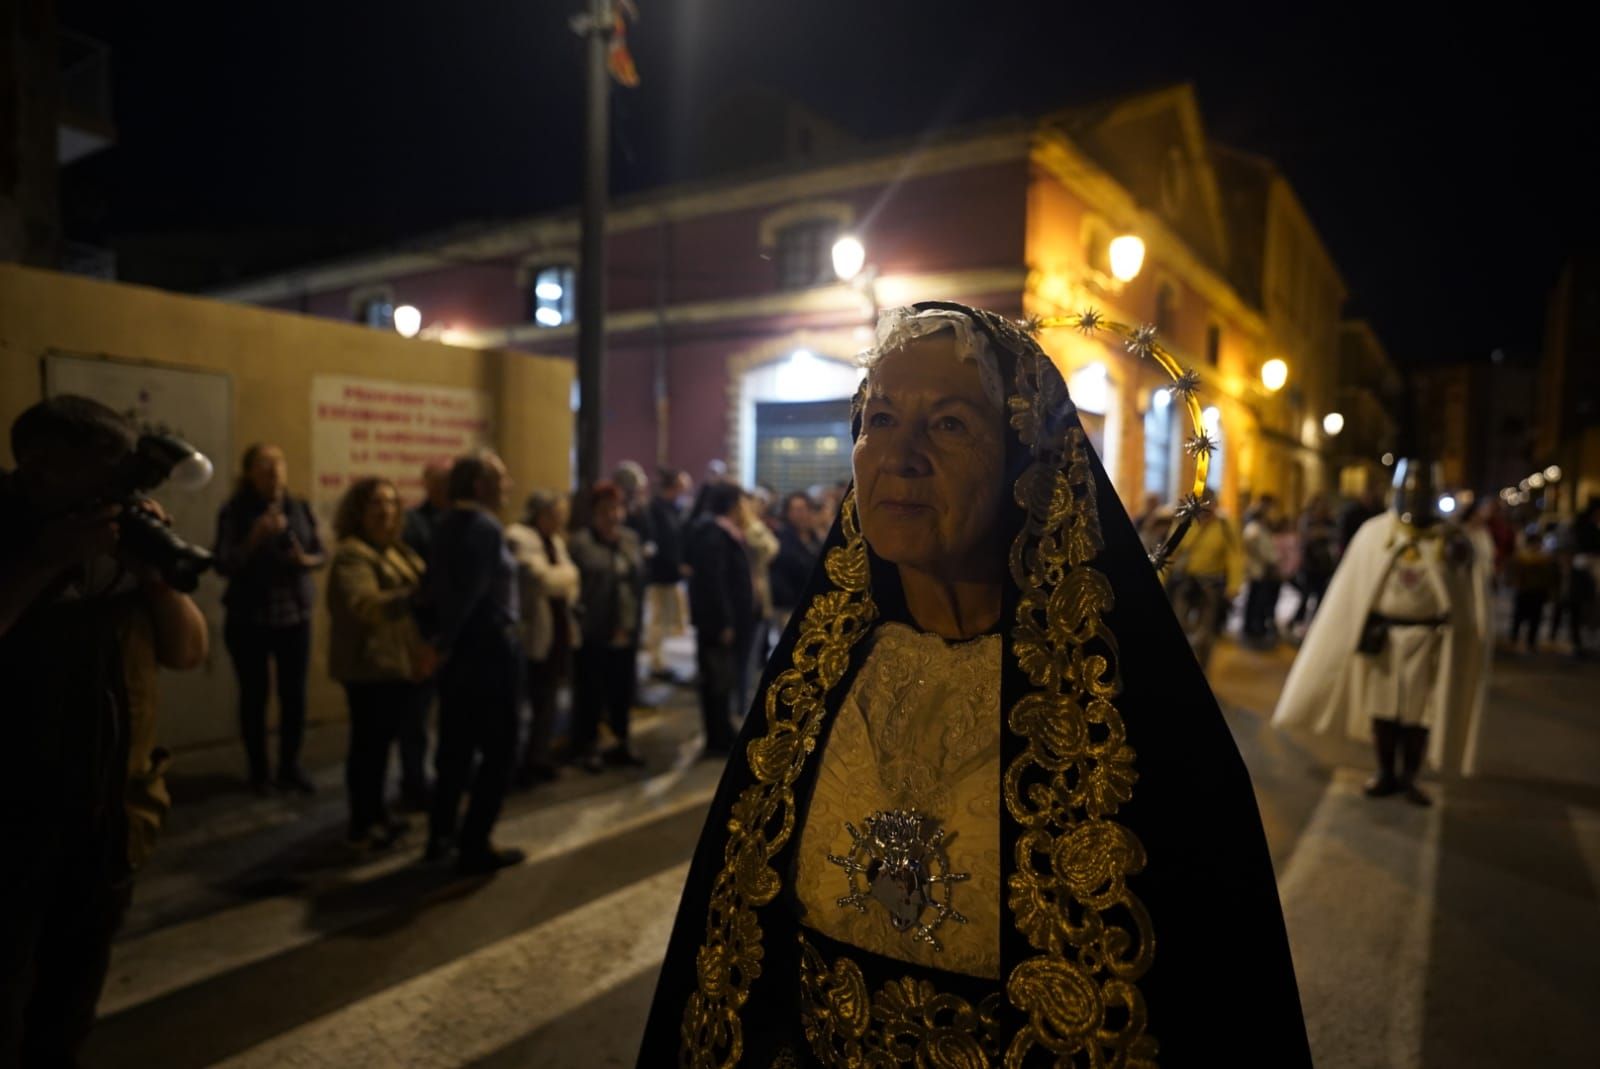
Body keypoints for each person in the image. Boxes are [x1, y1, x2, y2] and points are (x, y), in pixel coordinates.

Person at [639, 303, 1310, 1066]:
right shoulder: (817, 675)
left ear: (1025, 462)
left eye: (950, 424)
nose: (901, 456)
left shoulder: (1128, 721)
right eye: (880, 418)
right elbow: (737, 951)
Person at [1, 396, 208, 1064]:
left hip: (106, 822)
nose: (121, 498)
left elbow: (187, 651)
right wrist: (45, 561)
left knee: (67, 1011)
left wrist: (158, 580)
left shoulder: (119, 535)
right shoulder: (12, 530)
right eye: (105, 481)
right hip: (10, 829)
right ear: (40, 475)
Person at [1274, 459, 1493, 805]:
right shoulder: (1375, 533)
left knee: (1418, 715)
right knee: (1384, 710)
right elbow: (1353, 588)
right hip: (1385, 639)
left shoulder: (1452, 540)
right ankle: (1386, 771)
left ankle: (1410, 777)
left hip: (1429, 642)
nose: (1415, 499)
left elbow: (1467, 597)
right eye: (1410, 492)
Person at [423, 451, 526, 874]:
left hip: (461, 657)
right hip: (490, 652)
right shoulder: (484, 527)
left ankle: (440, 834)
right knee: (500, 751)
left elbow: (435, 591)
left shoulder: (444, 522)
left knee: (456, 749)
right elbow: (468, 593)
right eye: (500, 477)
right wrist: (442, 642)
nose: (508, 484)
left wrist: (438, 643)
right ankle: (475, 843)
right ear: (481, 485)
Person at [326, 477, 431, 852]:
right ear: (359, 511)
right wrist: (414, 596)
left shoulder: (395, 549)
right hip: (368, 666)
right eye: (375, 504)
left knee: (383, 745)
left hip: (396, 664)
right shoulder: (353, 554)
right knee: (367, 747)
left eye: (391, 503)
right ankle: (361, 822)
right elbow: (364, 605)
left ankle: (377, 813)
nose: (385, 511)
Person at [214, 442, 325, 795]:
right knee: (254, 696)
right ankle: (259, 772)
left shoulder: (299, 507)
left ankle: (290, 766)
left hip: (295, 616)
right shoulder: (235, 511)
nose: (274, 470)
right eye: (264, 464)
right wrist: (253, 539)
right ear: (249, 473)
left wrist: (303, 561)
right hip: (250, 618)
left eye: (278, 462)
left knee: (294, 696)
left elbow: (319, 553)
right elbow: (222, 563)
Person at [569, 481, 648, 772]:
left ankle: (620, 740)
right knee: (591, 691)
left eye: (617, 509)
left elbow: (638, 581)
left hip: (627, 627)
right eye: (605, 510)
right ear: (594, 513)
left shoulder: (630, 540)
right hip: (595, 629)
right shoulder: (581, 543)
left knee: (622, 689)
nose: (613, 515)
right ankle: (587, 745)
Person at [506, 490, 580, 787]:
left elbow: (573, 578)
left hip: (557, 632)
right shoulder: (519, 537)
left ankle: (539, 756)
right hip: (531, 634)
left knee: (547, 700)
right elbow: (543, 580)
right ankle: (519, 762)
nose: (560, 519)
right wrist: (562, 577)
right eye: (554, 513)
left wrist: (560, 577)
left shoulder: (556, 542)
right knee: (525, 703)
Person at [684, 481, 758, 758]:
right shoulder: (712, 534)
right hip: (718, 622)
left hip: (728, 619)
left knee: (722, 678)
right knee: (716, 677)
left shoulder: (723, 532)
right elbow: (713, 582)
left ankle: (723, 729)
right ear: (732, 504)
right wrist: (725, 622)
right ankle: (716, 735)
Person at [1165, 505, 1242, 669]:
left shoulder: (1225, 527)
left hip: (1211, 585)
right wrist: (1161, 578)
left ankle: (1203, 669)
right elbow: (1170, 552)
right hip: (1185, 582)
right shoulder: (1184, 524)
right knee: (1178, 624)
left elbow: (1234, 556)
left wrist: (1234, 585)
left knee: (1206, 633)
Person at [643, 468, 691, 681]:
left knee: (665, 621)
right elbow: (661, 542)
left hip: (670, 574)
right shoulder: (656, 509)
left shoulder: (673, 508)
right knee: (657, 619)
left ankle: (660, 660)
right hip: (660, 573)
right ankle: (656, 663)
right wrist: (674, 564)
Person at [769, 491, 822, 621]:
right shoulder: (780, 537)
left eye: (805, 509)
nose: (802, 514)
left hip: (812, 606)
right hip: (787, 605)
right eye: (797, 510)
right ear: (788, 513)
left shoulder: (816, 539)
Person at [1291, 494, 1338, 630]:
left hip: (1325, 565)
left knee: (1321, 596)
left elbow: (1335, 535)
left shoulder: (1329, 521)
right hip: (1309, 565)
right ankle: (1297, 621)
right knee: (1305, 595)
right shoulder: (1307, 520)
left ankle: (1316, 624)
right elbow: (1304, 537)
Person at [1241, 495, 1283, 645]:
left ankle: (1254, 627)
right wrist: (1272, 561)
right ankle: (1252, 628)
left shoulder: (1260, 529)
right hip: (1257, 570)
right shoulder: (1254, 529)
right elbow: (1262, 550)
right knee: (1255, 601)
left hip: (1261, 570)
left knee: (1257, 600)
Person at [1508, 528, 1557, 652]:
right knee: (1519, 616)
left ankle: (1531, 641)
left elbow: (1550, 576)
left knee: (1535, 618)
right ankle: (1514, 639)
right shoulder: (1522, 557)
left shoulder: (1545, 558)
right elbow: (1515, 573)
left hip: (1538, 591)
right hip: (1525, 590)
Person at [401, 460, 451, 561]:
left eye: (445, 481)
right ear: (425, 483)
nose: (441, 487)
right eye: (436, 481)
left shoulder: (465, 518)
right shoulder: (411, 521)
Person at [1338, 484, 1385, 557]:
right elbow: (1344, 534)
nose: (1368, 498)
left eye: (1370, 495)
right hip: (1353, 548)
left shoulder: (1378, 511)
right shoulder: (1351, 513)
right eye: (1366, 495)